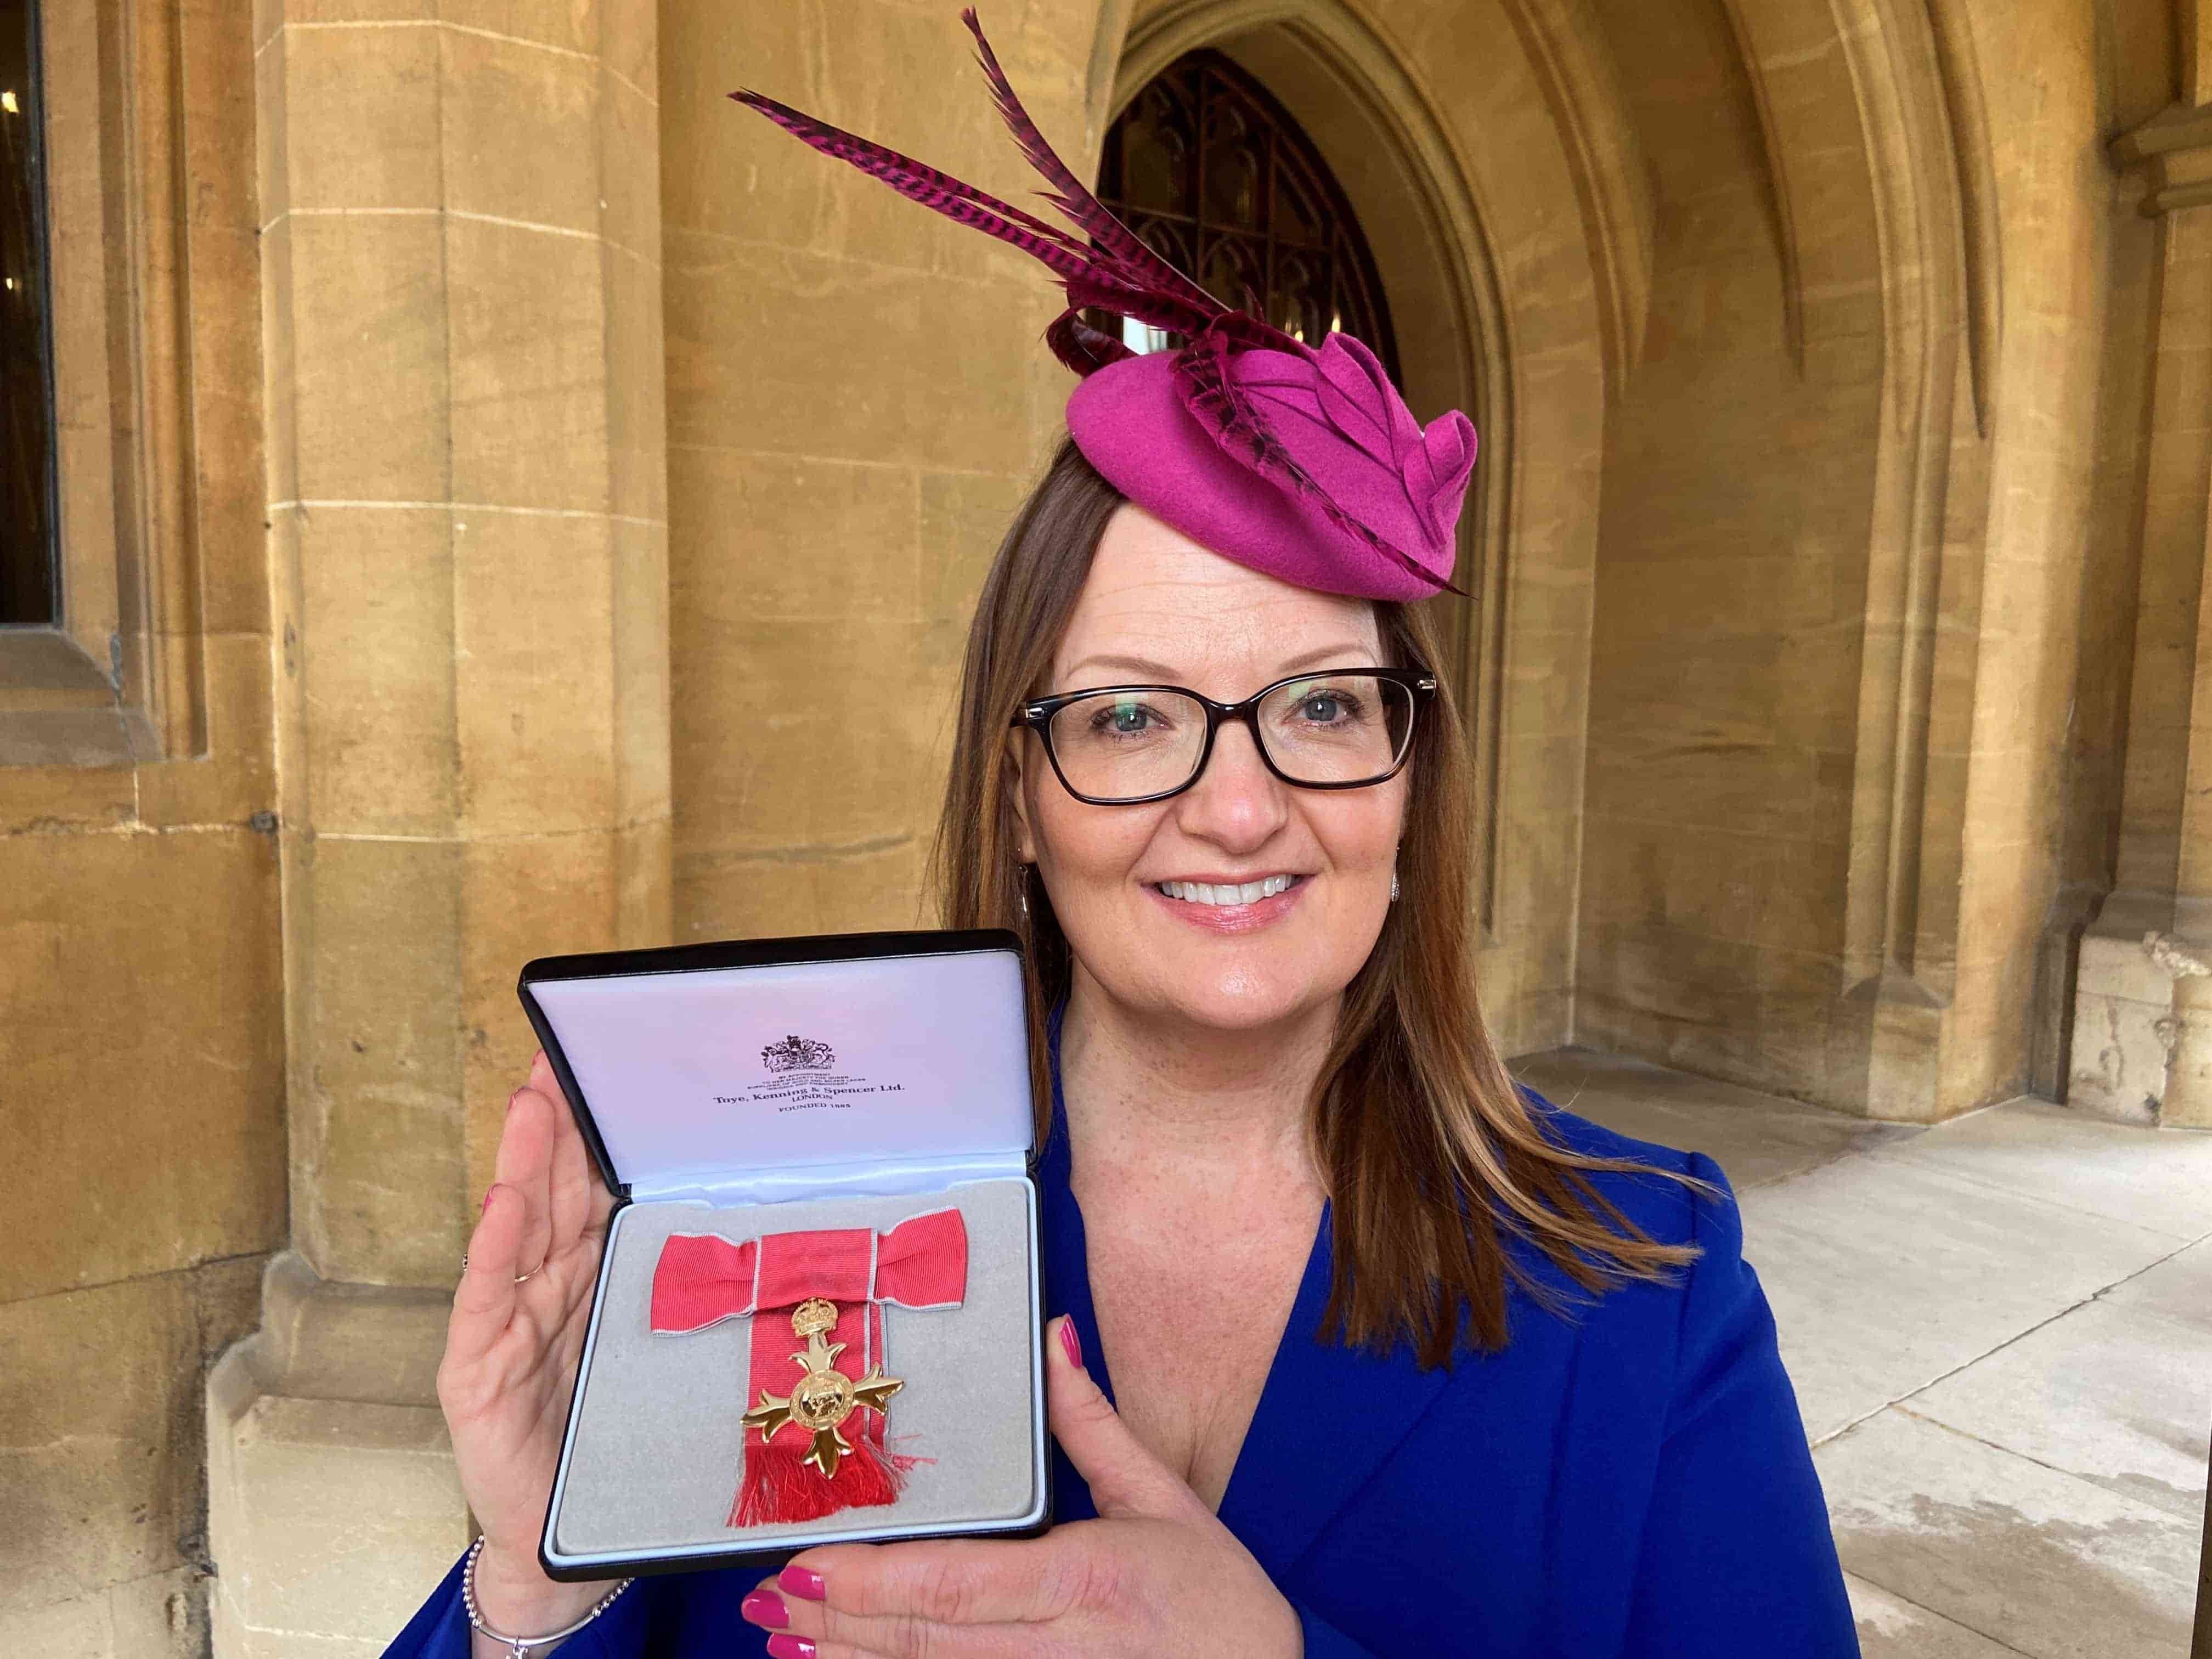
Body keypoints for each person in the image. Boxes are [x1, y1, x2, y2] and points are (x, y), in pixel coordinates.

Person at [384, 13, 1859, 1657]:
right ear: (1019, 793)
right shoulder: (793, 1244)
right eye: (1133, 718)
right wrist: (534, 1578)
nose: (1239, 809)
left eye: (1316, 706)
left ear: (1410, 770)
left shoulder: (1649, 1272)